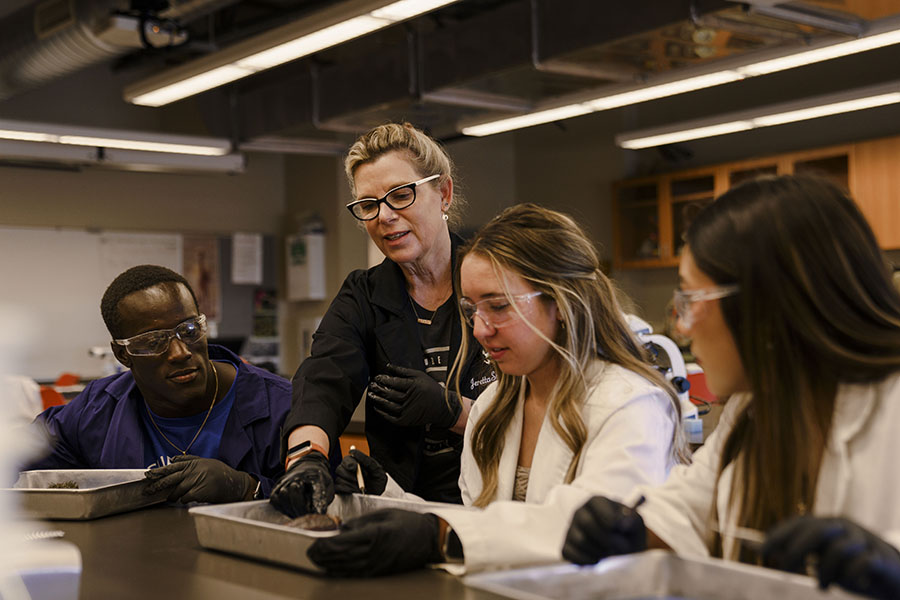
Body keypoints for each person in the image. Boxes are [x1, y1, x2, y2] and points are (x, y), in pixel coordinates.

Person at [562, 175, 900, 600]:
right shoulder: (754, 408)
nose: (682, 327)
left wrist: (890, 568)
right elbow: (687, 511)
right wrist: (625, 530)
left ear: (764, 302)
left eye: (690, 299)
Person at [306, 203, 690, 576]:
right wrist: (388, 499)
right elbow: (486, 524)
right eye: (472, 310)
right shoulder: (494, 407)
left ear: (561, 302)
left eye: (499, 307)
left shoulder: (630, 404)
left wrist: (435, 536)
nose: (479, 330)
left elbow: (583, 531)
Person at [270, 123, 495, 517]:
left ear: (443, 193)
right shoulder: (365, 295)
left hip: (498, 501)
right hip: (404, 504)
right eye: (369, 205)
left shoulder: (497, 281)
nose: (385, 216)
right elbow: (325, 377)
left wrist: (452, 410)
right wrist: (306, 457)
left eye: (400, 195)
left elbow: (536, 413)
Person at [27, 265, 291, 504]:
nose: (180, 353)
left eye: (189, 331)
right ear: (123, 355)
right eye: (154, 341)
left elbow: (322, 501)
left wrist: (249, 488)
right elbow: (19, 457)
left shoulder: (280, 407)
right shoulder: (99, 409)